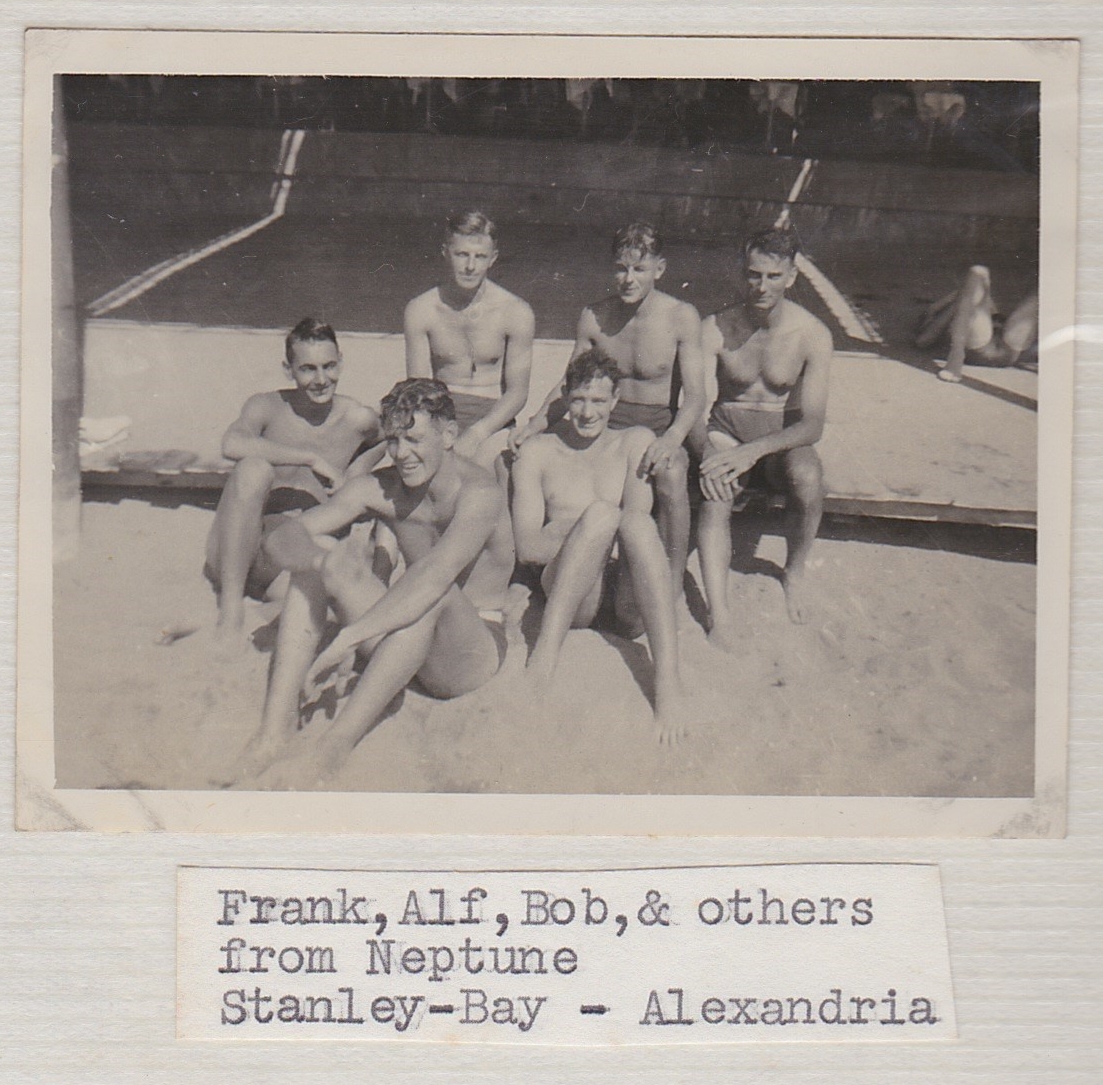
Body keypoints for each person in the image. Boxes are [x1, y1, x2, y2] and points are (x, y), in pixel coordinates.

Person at [240, 378, 514, 786]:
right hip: (402, 641)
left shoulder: (479, 493)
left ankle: (334, 747)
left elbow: (436, 576)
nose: (403, 454)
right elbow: (280, 539)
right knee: (319, 555)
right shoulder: (380, 487)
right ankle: (274, 731)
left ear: (450, 435)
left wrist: (350, 636)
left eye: (416, 440)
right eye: (394, 441)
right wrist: (321, 562)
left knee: (433, 589)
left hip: (469, 653)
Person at [511, 222, 706, 600]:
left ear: (659, 270)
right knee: (525, 458)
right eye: (621, 268)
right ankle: (528, 571)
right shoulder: (595, 317)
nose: (628, 279)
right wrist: (535, 424)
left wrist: (671, 439)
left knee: (672, 470)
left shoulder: (681, 317)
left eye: (639, 269)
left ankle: (673, 575)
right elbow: (571, 383)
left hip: (656, 424)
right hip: (604, 425)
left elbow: (696, 397)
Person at [511, 350, 685, 745]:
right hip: (574, 597)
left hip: (622, 594)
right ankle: (546, 655)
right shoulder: (538, 452)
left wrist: (587, 527)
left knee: (633, 521)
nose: (587, 412)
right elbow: (528, 548)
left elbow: (634, 528)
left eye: (599, 401)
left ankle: (668, 679)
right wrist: (587, 530)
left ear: (616, 401)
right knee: (604, 515)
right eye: (578, 400)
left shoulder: (634, 442)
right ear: (566, 398)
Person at [204, 317, 381, 647]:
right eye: (308, 369)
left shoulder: (357, 419)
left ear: (341, 363)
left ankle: (262, 615)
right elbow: (231, 444)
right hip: (238, 550)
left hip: (286, 562)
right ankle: (231, 611)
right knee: (253, 469)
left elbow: (389, 440)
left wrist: (354, 475)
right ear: (289, 369)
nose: (321, 379)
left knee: (334, 590)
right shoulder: (267, 406)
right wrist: (311, 458)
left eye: (329, 367)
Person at [695, 228, 832, 634]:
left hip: (777, 440)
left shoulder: (811, 334)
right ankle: (718, 614)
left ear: (791, 276)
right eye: (754, 274)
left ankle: (793, 572)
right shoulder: (716, 327)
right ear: (743, 271)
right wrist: (709, 453)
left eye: (773, 276)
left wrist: (753, 452)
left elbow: (813, 424)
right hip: (725, 431)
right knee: (715, 493)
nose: (761, 286)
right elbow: (694, 407)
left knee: (809, 478)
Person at [404, 210, 535, 469]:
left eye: (480, 256)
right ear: (446, 252)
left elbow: (518, 392)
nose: (470, 266)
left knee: (500, 469)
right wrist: (443, 433)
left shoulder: (516, 312)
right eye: (462, 254)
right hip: (440, 414)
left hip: (493, 420)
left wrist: (476, 433)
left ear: (493, 258)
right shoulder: (421, 309)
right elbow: (419, 387)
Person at [915, 264, 1039, 382]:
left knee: (1041, 285)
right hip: (982, 349)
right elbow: (924, 340)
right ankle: (956, 357)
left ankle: (955, 360)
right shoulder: (963, 304)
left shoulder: (975, 298)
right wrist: (946, 305)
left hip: (1010, 347)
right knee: (977, 273)